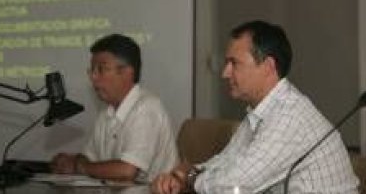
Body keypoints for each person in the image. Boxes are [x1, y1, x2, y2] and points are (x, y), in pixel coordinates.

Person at [153, 20, 359, 193]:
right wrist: (182, 176)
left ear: (268, 67)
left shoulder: (289, 115)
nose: (225, 73)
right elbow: (227, 162)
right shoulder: (262, 111)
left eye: (235, 63)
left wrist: (189, 176)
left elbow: (234, 186)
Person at [51, 34, 178, 183]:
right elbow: (90, 158)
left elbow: (127, 171)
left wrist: (81, 166)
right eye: (91, 71)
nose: (93, 77)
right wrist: (73, 162)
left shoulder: (147, 108)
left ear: (127, 73)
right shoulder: (106, 113)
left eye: (101, 70)